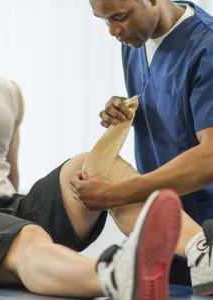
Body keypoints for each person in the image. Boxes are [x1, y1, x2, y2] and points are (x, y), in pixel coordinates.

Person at [0, 1, 185, 300]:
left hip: (6, 208)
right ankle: (118, 276)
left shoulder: (6, 91)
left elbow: (9, 170)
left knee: (89, 164)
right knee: (27, 236)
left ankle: (202, 254)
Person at [71, 0, 213, 296]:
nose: (112, 30)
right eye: (103, 20)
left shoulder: (206, 46)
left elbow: (210, 157)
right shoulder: (135, 40)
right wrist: (125, 108)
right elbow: (169, 103)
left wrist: (117, 193)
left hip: (205, 225)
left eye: (119, 17)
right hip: (163, 227)